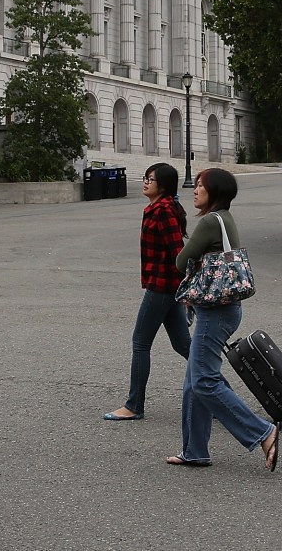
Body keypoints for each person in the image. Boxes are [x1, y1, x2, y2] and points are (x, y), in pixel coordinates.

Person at [165, 167, 280, 471]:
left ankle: (262, 431)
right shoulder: (225, 219)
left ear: (213, 191)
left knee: (204, 380)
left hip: (214, 311)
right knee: (193, 381)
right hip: (224, 307)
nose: (195, 190)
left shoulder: (209, 222)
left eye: (200, 185)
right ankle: (195, 451)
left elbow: (180, 262)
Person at [103, 162, 191, 421]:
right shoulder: (157, 208)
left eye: (150, 179)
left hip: (162, 287)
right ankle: (220, 396)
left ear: (162, 185)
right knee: (184, 345)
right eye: (145, 177)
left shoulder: (163, 210)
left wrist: (185, 289)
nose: (145, 182)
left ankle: (134, 405)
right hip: (167, 286)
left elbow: (178, 252)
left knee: (140, 344)